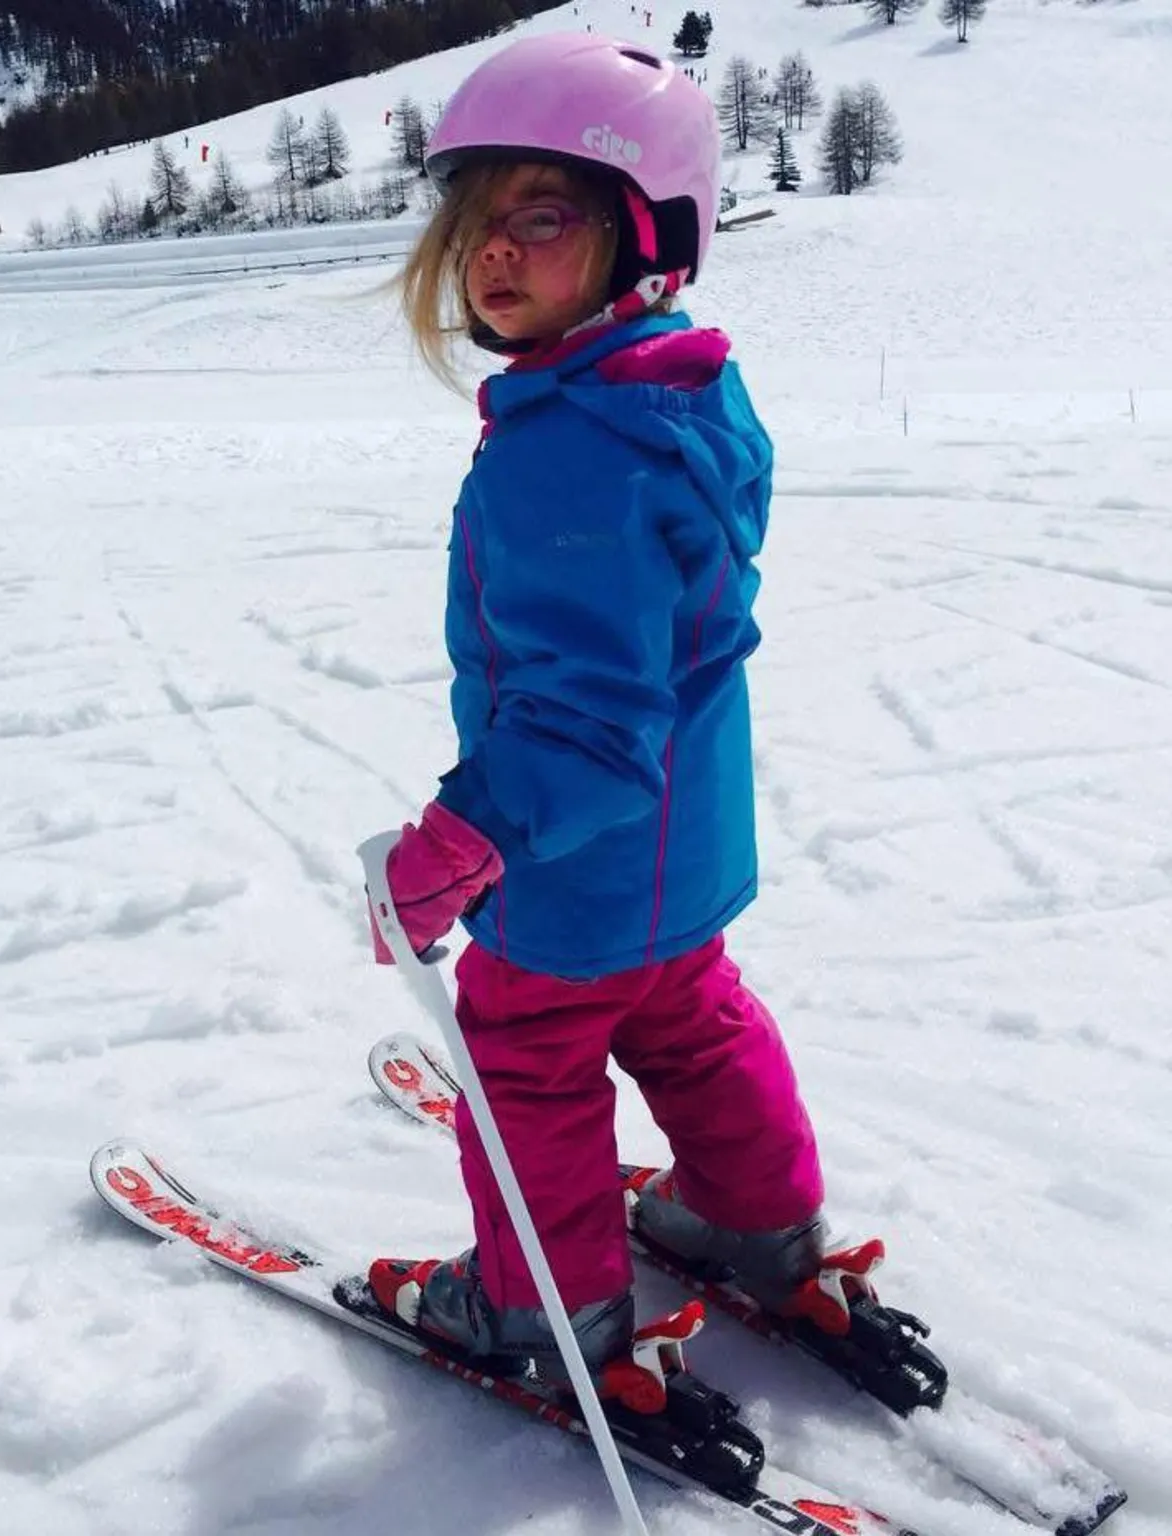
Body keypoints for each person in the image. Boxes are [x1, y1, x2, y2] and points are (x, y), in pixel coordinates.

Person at [365, 34, 829, 1390]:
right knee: (686, 1012)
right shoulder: (680, 388)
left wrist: (458, 846)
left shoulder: (565, 456)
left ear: (646, 236)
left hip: (577, 866)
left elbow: (582, 717)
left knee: (523, 1053)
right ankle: (753, 1218)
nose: (493, 253)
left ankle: (541, 1308)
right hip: (688, 846)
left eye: (544, 217)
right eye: (477, 222)